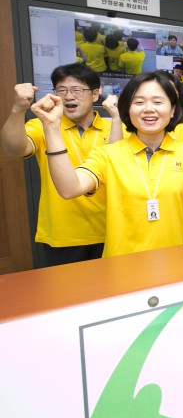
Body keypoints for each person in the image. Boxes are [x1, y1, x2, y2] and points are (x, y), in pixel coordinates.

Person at [29, 72, 183, 257]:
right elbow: (69, 189)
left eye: (158, 102)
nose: (148, 109)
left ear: (172, 110)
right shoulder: (108, 154)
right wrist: (51, 128)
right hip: (121, 263)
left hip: (176, 262)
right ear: (127, 109)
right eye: (139, 102)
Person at [1, 63, 123, 266]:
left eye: (76, 90)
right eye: (62, 90)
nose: (68, 97)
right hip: (63, 235)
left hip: (111, 231)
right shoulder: (44, 125)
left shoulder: (116, 127)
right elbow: (13, 149)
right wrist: (17, 109)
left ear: (95, 94)